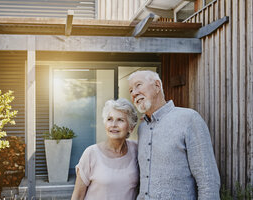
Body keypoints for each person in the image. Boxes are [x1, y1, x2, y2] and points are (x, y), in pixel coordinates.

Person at [128, 70, 220, 200]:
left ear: (157, 86)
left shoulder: (189, 118)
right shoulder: (142, 128)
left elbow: (208, 180)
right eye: (130, 90)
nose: (134, 93)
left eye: (138, 85)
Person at [71, 98, 139, 200]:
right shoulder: (91, 154)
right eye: (109, 119)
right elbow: (77, 196)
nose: (113, 125)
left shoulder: (136, 150)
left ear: (131, 127)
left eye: (120, 120)